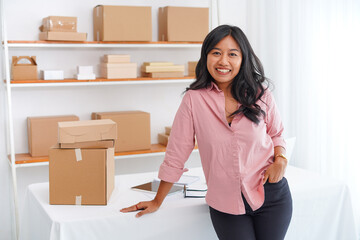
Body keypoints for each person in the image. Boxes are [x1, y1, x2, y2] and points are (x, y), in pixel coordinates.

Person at [121, 24, 292, 240]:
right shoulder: (194, 100)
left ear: (243, 59)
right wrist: (157, 200)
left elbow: (277, 133)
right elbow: (176, 153)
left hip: (272, 195)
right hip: (225, 203)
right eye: (216, 53)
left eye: (232, 54)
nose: (223, 61)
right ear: (206, 57)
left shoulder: (260, 93)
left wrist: (281, 160)